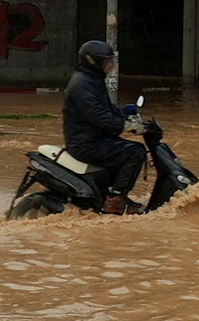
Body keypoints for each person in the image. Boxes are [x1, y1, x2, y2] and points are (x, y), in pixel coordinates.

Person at [63, 40, 147, 215]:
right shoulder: (82, 84)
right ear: (93, 62)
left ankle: (110, 194)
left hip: (94, 139)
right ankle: (116, 199)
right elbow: (99, 117)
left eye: (111, 60)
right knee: (135, 152)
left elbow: (106, 109)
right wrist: (127, 125)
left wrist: (125, 111)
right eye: (106, 61)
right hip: (85, 143)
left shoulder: (93, 79)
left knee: (126, 150)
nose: (110, 65)